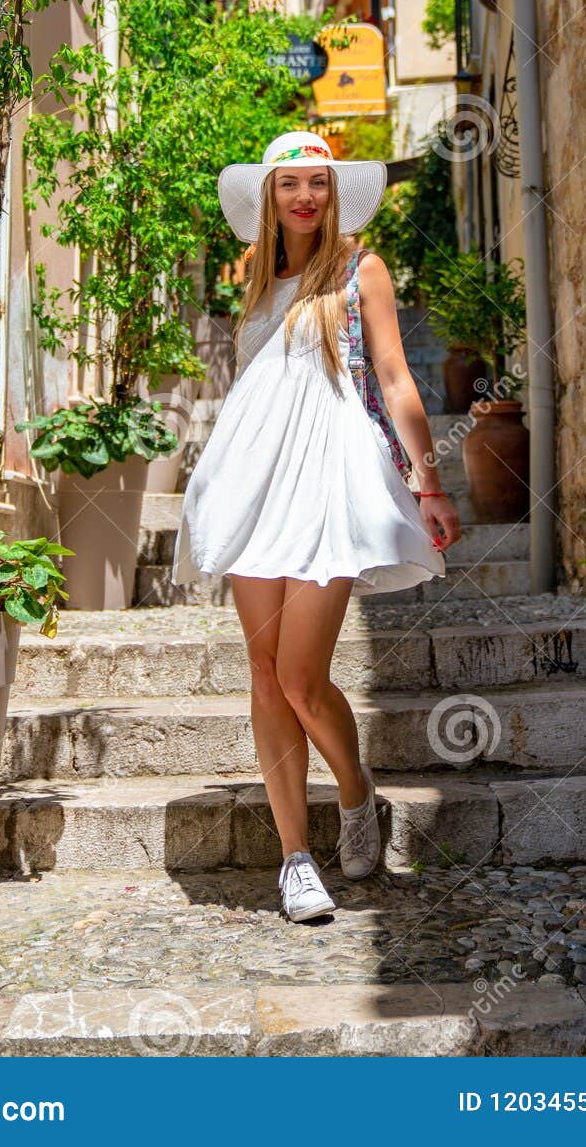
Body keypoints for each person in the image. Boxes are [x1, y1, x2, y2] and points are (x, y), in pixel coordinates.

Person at [172, 130, 462, 922]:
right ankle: (296, 859)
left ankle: (357, 794)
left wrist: (428, 482)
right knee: (264, 676)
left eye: (318, 183)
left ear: (334, 193)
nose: (305, 196)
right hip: (253, 484)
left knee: (301, 676)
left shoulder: (357, 268)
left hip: (329, 483)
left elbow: (397, 377)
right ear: (269, 195)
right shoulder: (256, 277)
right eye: (290, 183)